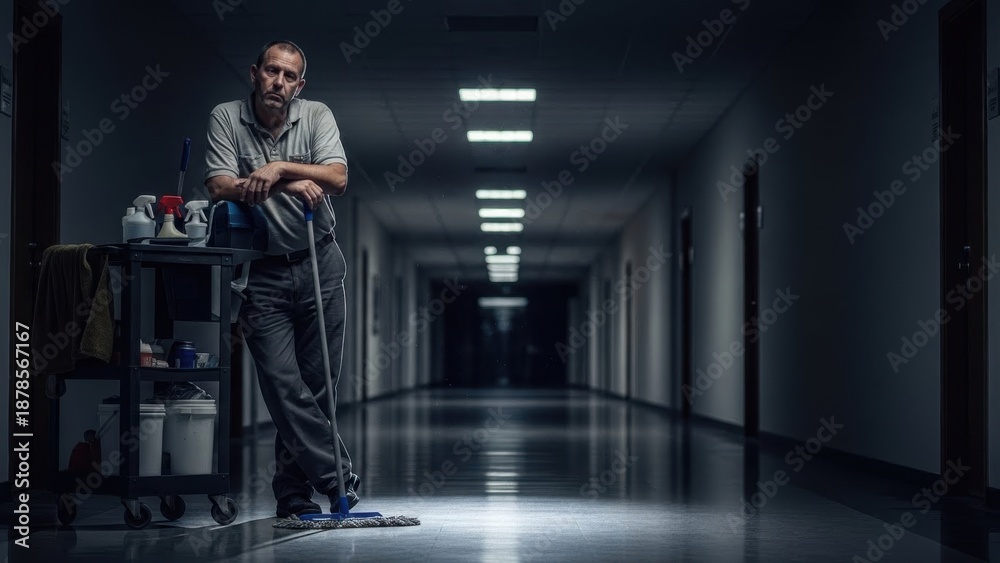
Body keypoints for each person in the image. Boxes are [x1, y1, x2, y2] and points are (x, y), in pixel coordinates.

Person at [203, 39, 359, 518]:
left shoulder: (316, 116)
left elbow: (336, 178)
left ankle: (293, 495)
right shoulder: (226, 118)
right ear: (255, 73)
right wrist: (291, 183)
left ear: (300, 84)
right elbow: (219, 184)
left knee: (317, 388)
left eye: (290, 76)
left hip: (319, 262)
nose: (279, 83)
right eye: (272, 72)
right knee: (282, 386)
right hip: (262, 272)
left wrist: (276, 168)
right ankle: (338, 476)